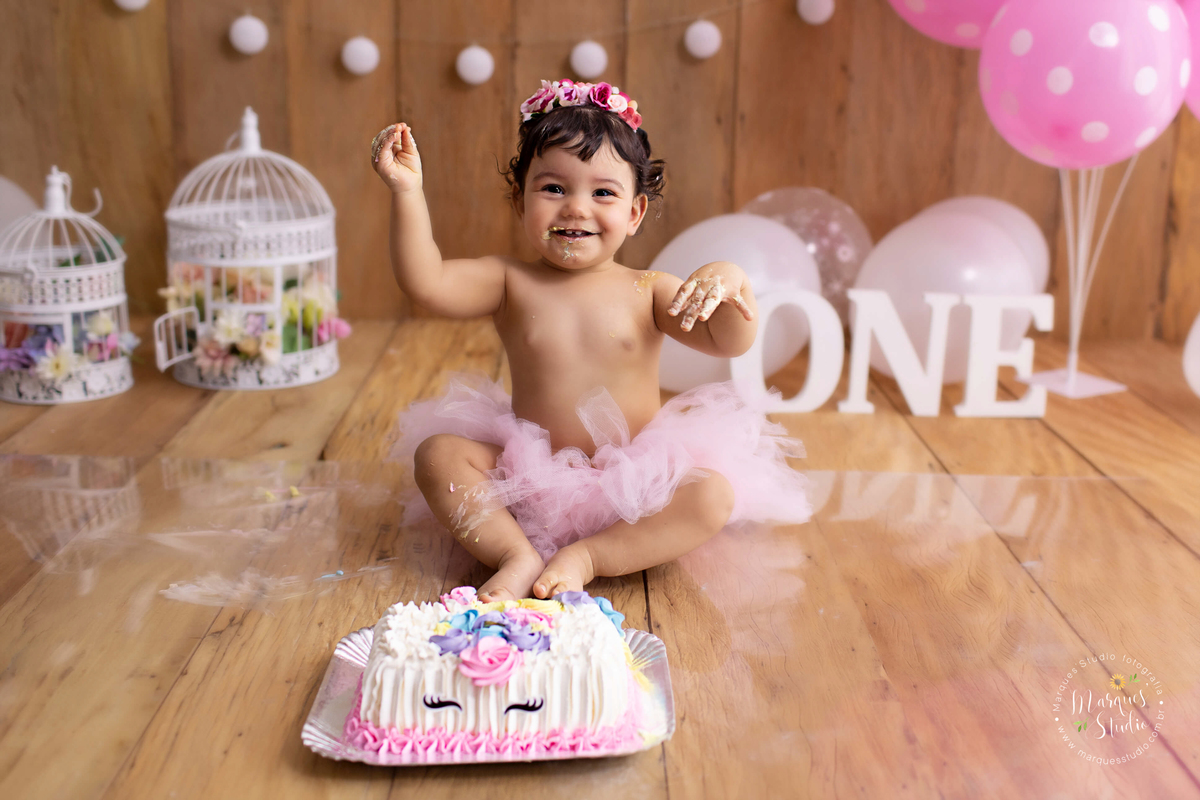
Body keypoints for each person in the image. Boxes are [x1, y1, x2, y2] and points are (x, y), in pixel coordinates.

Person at [371, 79, 810, 602]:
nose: (576, 207)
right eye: (554, 188)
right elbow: (426, 282)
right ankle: (515, 553)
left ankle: (591, 555)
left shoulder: (648, 290)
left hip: (631, 480)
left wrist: (733, 281)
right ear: (520, 199)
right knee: (437, 455)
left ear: (634, 213)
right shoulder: (510, 281)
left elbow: (726, 341)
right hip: (527, 475)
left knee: (712, 497)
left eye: (603, 192)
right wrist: (407, 193)